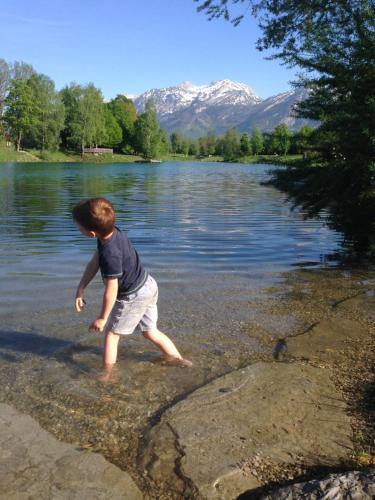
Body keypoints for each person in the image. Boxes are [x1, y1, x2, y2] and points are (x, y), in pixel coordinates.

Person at [72, 197, 192, 378]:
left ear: (91, 233)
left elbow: (111, 289)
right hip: (148, 285)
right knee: (150, 331)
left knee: (112, 334)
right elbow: (94, 262)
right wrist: (81, 288)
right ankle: (180, 361)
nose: (78, 229)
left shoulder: (109, 254)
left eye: (78, 227)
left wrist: (102, 318)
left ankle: (106, 375)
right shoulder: (113, 233)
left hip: (133, 295)